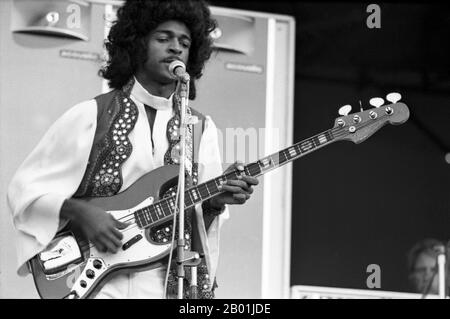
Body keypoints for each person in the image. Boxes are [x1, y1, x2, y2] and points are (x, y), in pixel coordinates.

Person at [7, 0, 258, 299]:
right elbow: (27, 190)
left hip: (166, 287)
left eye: (185, 42)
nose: (176, 48)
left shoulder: (201, 130)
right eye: (163, 38)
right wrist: (83, 213)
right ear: (137, 44)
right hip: (98, 283)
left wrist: (215, 201)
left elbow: (197, 227)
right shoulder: (91, 114)